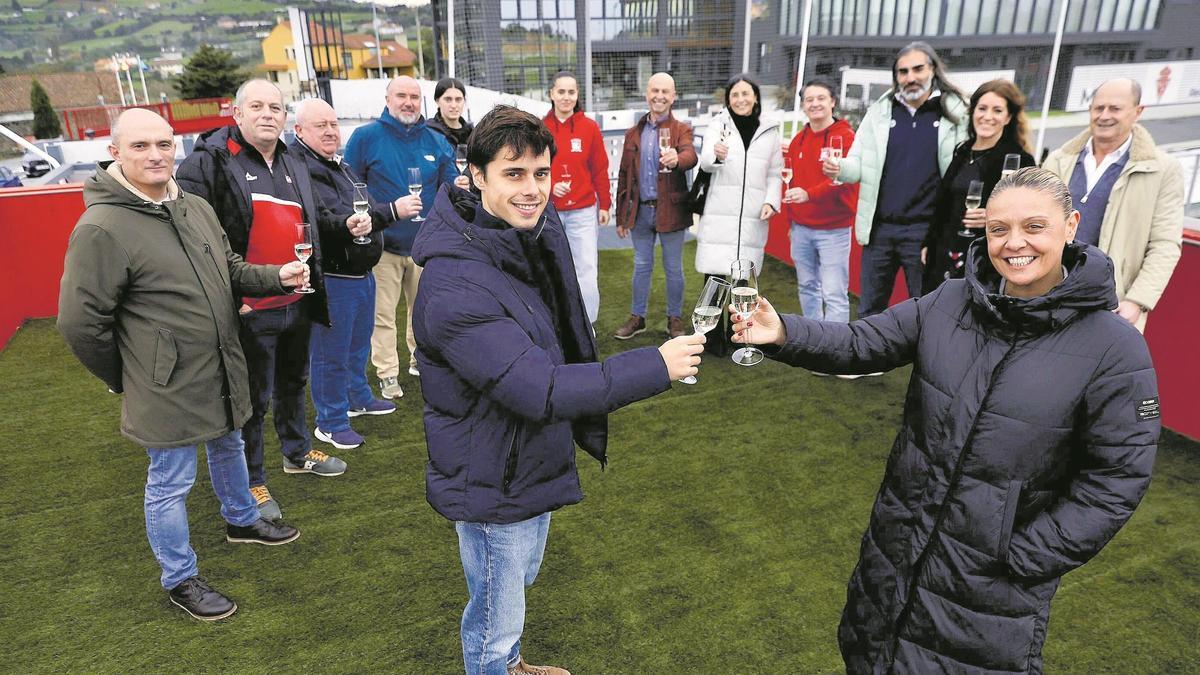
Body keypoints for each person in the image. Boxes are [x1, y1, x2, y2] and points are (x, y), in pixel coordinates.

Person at [732, 167, 1159, 673]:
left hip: (988, 596)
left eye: (1034, 227)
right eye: (998, 229)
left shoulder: (1114, 348)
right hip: (895, 558)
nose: (1014, 243)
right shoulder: (952, 299)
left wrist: (1024, 557)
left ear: (1071, 227)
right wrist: (781, 330)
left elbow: (1117, 479)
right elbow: (861, 343)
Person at [411, 105, 704, 675]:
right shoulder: (455, 283)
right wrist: (656, 365)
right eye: (513, 174)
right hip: (492, 470)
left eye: (540, 173)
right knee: (496, 610)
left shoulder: (514, 237)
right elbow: (539, 389)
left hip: (521, 455)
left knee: (514, 585)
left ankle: (511, 664)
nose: (532, 190)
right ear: (476, 177)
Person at [58, 108, 305, 622]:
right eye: (141, 146)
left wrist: (275, 277)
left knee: (230, 441)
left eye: (164, 145)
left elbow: (230, 269)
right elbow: (81, 324)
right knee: (170, 480)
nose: (156, 155)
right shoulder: (101, 226)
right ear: (115, 152)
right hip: (162, 380)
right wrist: (123, 376)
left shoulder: (193, 206)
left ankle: (241, 519)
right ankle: (180, 577)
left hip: (219, 361)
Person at [176, 79, 367, 520]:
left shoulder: (291, 161)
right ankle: (254, 480)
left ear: (285, 118)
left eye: (276, 107)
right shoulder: (209, 163)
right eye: (257, 106)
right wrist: (229, 297)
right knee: (252, 401)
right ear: (237, 114)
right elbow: (193, 236)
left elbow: (311, 221)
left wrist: (346, 227)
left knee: (292, 384)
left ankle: (297, 453)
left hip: (295, 298)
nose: (268, 114)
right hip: (246, 306)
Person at [824, 41, 968, 318]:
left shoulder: (957, 112)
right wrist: (839, 168)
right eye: (903, 71)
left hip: (925, 232)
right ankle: (865, 361)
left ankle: (924, 361)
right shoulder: (879, 111)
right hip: (879, 231)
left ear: (933, 70)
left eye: (917, 69)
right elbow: (857, 166)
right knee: (869, 310)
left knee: (925, 311)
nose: (910, 77)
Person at [345, 75, 466, 399]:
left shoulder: (435, 140)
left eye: (414, 96)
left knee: (424, 312)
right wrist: (383, 211)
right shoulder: (365, 137)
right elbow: (351, 187)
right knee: (382, 315)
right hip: (382, 246)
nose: (409, 102)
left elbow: (450, 184)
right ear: (388, 99)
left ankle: (420, 361)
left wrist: (463, 187)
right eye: (401, 95)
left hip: (425, 246)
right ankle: (387, 373)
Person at [291, 98, 400, 451]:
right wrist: (350, 224)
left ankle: (357, 398)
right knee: (330, 354)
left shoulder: (338, 164)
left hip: (359, 273)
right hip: (334, 276)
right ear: (299, 132)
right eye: (320, 125)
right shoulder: (301, 169)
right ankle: (331, 422)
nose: (329, 131)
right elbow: (321, 219)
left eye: (333, 124)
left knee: (357, 346)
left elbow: (359, 209)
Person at [1043, 78, 1183, 332]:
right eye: (1098, 108)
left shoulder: (1163, 170)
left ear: (1138, 111)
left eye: (1115, 108)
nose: (1104, 115)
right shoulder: (1059, 159)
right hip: (1049, 296)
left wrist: (1137, 301)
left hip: (1109, 306)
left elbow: (1165, 244)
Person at [694, 73, 782, 357]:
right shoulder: (717, 125)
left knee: (745, 283)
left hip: (753, 217)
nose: (741, 99)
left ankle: (742, 335)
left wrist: (771, 200)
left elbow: (774, 173)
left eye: (746, 94)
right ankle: (712, 337)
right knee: (715, 279)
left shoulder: (770, 130)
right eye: (735, 95)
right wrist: (717, 155)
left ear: (755, 97)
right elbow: (706, 162)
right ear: (728, 100)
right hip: (720, 212)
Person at [922, 79, 1034, 292]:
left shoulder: (1019, 160)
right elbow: (943, 203)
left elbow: (1029, 215)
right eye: (982, 108)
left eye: (997, 110)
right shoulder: (962, 151)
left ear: (1008, 117)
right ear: (973, 112)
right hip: (945, 250)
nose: (987, 116)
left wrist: (995, 219)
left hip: (984, 260)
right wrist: (928, 243)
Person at [613, 72, 698, 340]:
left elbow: (690, 155)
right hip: (639, 213)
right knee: (641, 266)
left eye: (665, 92)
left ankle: (674, 319)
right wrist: (621, 217)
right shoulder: (632, 133)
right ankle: (638, 318)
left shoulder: (681, 129)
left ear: (673, 96)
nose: (659, 96)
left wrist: (677, 158)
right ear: (647, 93)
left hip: (671, 211)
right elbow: (625, 175)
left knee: (673, 268)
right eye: (655, 91)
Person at [783, 80, 858, 328]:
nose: (815, 103)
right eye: (809, 99)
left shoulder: (846, 138)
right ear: (803, 105)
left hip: (834, 230)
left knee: (834, 293)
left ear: (832, 102)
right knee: (807, 287)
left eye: (821, 98)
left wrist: (809, 195)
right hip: (801, 229)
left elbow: (845, 182)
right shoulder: (798, 141)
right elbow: (791, 181)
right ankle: (814, 341)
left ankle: (834, 350)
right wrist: (791, 222)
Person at [543, 70, 611, 325]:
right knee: (553, 270)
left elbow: (600, 168)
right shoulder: (541, 127)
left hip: (583, 211)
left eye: (571, 92)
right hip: (550, 212)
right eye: (561, 92)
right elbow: (533, 168)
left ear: (577, 95)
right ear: (551, 94)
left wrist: (605, 203)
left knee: (586, 270)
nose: (566, 97)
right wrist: (550, 186)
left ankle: (587, 326)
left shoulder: (589, 127)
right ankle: (556, 325)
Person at [427, 77, 474, 148]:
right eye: (448, 100)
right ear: (437, 101)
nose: (454, 105)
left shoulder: (473, 134)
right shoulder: (428, 132)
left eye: (458, 99)